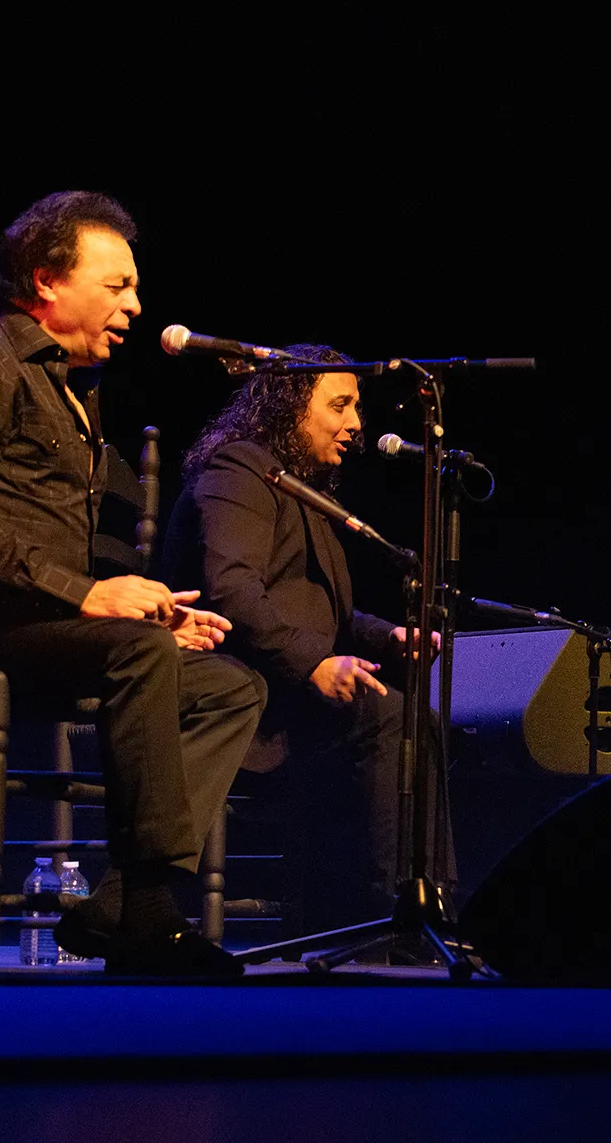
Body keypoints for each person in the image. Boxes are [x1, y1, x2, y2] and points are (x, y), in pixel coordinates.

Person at [0, 191, 264, 976]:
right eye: (117, 285)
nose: (136, 305)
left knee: (230, 685)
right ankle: (150, 921)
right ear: (49, 279)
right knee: (140, 657)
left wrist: (145, 610)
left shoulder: (73, 388)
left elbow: (80, 560)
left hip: (52, 620)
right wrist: (89, 598)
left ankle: (119, 899)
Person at [163, 346, 454, 933]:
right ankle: (402, 919)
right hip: (237, 691)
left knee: (409, 715)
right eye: (340, 405)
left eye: (357, 408)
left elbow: (319, 607)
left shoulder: (297, 489)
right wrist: (316, 662)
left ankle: (412, 909)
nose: (357, 425)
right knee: (394, 717)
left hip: (283, 687)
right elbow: (233, 591)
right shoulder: (238, 472)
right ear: (289, 407)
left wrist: (386, 634)